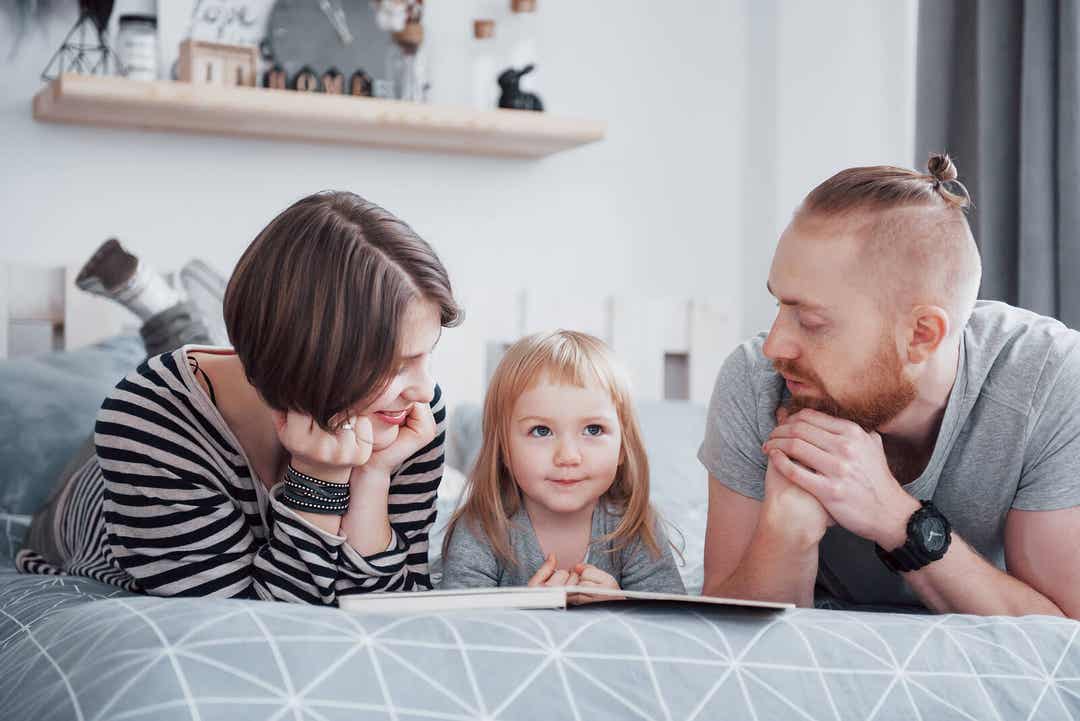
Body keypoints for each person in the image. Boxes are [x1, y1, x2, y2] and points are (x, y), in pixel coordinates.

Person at [17, 191, 462, 605]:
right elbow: (251, 626)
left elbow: (393, 603)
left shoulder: (412, 414)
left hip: (258, 384)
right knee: (132, 403)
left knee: (253, 370)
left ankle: (170, 315)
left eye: (426, 356)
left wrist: (372, 478)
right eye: (396, 363)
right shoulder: (146, 424)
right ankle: (169, 319)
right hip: (99, 498)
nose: (424, 389)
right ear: (312, 354)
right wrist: (318, 480)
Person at [699, 154, 1080, 617]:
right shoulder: (755, 383)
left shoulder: (1050, 379)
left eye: (812, 321)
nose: (775, 346)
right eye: (780, 305)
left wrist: (894, 517)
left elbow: (1063, 642)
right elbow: (721, 640)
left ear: (922, 335)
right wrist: (787, 532)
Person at [440, 330, 684, 600]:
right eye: (541, 431)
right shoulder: (482, 528)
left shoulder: (634, 527)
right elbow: (460, 626)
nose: (568, 456)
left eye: (593, 429)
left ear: (623, 447)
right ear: (504, 450)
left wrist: (621, 608)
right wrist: (525, 611)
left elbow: (673, 625)